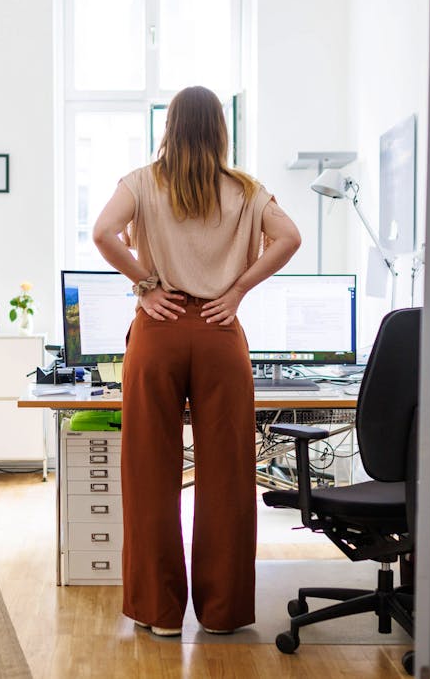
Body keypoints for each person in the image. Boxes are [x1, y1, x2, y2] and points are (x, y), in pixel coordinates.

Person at [92, 86, 301, 636]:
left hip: (158, 331)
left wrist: (144, 283)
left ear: (170, 127)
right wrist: (236, 291)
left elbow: (102, 232)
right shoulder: (247, 189)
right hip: (219, 330)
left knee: (149, 470)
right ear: (220, 130)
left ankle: (160, 615)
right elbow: (290, 238)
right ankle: (223, 613)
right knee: (229, 474)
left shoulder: (141, 181)